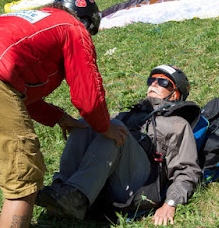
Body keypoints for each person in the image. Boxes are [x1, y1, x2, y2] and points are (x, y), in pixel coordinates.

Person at [0, 0, 128, 228]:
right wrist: (103, 126)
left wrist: (59, 117)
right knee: (22, 183)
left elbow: (15, 95)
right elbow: (88, 92)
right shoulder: (73, 27)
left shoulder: (28, 19)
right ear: (87, 21)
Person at [36, 65, 202, 226]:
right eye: (152, 79)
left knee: (116, 128)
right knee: (86, 124)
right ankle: (63, 188)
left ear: (175, 95)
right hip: (111, 180)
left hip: (143, 186)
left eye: (164, 82)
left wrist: (170, 203)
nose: (154, 84)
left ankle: (78, 197)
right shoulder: (126, 115)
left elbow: (187, 170)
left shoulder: (178, 124)